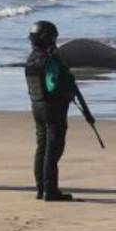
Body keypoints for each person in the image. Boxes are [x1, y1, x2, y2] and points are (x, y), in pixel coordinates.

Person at [25, 21, 76, 202]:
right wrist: (68, 91)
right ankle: (50, 190)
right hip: (52, 108)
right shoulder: (50, 60)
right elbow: (53, 86)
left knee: (42, 147)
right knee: (53, 150)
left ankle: (41, 188)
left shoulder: (31, 58)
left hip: (36, 106)